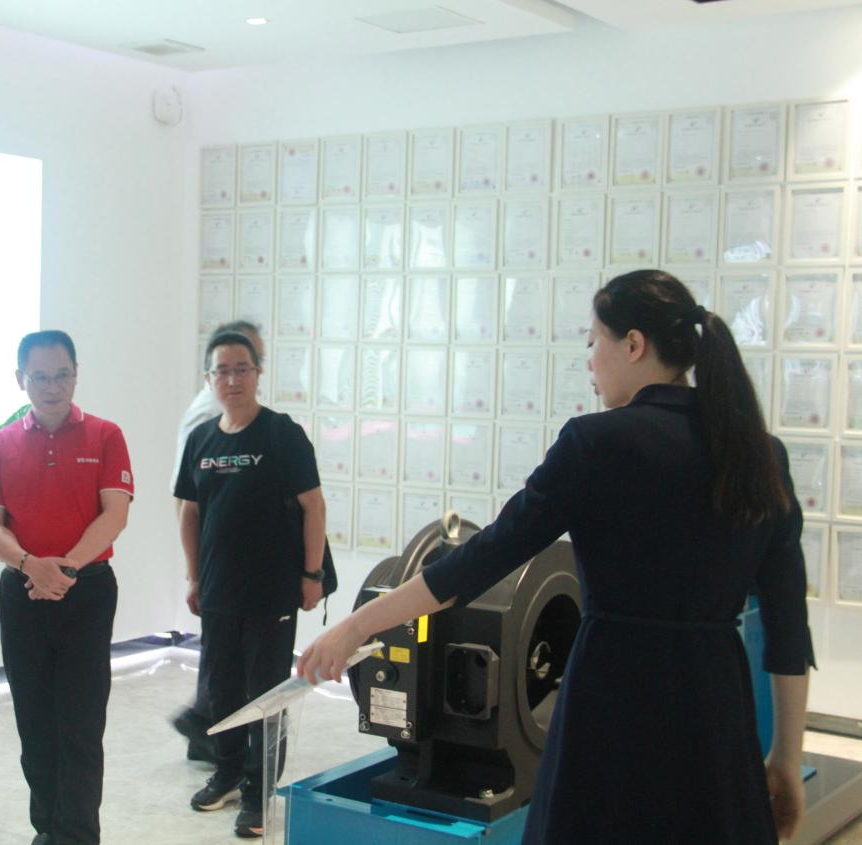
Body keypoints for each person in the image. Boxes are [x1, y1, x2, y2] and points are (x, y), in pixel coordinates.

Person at [298, 270, 813, 845]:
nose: (590, 362)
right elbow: (788, 621)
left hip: (612, 697)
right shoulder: (761, 454)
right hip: (714, 703)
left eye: (594, 342)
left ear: (633, 344)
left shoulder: (595, 443)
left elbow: (479, 561)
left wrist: (356, 626)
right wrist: (786, 758)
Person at [0, 329, 133, 845]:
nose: (52, 387)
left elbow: (115, 515)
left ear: (76, 374)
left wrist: (64, 569)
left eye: (62, 375)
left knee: (82, 726)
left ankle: (79, 837)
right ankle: (48, 830)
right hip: (22, 594)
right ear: (20, 379)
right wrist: (30, 565)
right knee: (35, 726)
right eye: (40, 377)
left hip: (87, 591)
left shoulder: (106, 435)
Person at [174, 331, 326, 839]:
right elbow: (189, 513)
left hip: (272, 591)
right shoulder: (201, 439)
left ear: (258, 373)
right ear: (209, 378)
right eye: (222, 370)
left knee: (266, 694)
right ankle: (227, 773)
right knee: (222, 691)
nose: (232, 379)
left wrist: (311, 575)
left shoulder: (281, 434)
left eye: (242, 368)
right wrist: (194, 576)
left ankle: (260, 792)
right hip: (218, 590)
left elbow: (313, 507)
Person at [169, 320, 267, 765]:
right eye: (232, 366)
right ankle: (204, 724)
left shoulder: (238, 411)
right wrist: (196, 566)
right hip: (217, 549)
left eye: (249, 364)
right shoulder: (209, 414)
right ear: (214, 369)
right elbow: (187, 495)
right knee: (223, 652)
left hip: (232, 548)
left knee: (226, 651)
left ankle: (204, 729)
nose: (242, 374)